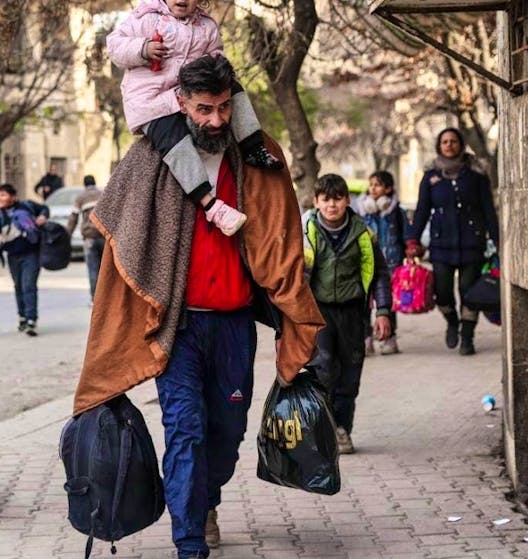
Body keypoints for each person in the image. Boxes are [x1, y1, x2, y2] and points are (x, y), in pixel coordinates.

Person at [73, 54, 324, 559]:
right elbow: (114, 228)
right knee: (184, 431)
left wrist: (292, 315)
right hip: (179, 329)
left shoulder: (255, 158)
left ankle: (205, 500)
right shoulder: (150, 159)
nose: (215, 120)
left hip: (233, 325)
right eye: (204, 109)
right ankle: (189, 543)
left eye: (224, 108)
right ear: (181, 102)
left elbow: (281, 236)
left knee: (226, 435)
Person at [106, 0, 283, 238]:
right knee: (175, 142)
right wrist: (142, 48)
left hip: (189, 92)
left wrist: (216, 70)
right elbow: (115, 46)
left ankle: (253, 146)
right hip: (151, 101)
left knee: (232, 86)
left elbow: (216, 56)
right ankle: (210, 203)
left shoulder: (207, 26)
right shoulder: (145, 18)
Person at [303, 174, 392, 455]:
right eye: (326, 199)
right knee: (324, 370)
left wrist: (384, 312)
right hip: (320, 312)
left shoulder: (363, 234)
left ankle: (343, 429)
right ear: (316, 201)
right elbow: (296, 276)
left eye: (338, 199)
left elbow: (379, 274)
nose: (332, 205)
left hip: (354, 313)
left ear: (347, 200)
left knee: (350, 376)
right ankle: (324, 428)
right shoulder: (306, 233)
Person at [405, 127, 499, 355]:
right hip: (441, 245)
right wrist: (412, 240)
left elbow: (488, 210)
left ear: (460, 144)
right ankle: (452, 322)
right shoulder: (431, 177)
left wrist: (498, 241)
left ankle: (467, 337)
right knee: (443, 291)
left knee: (469, 292)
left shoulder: (476, 174)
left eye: (453, 141)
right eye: (445, 141)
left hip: (471, 244)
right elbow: (422, 211)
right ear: (439, 146)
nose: (449, 145)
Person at [0, 184, 50, 337]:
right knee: (18, 286)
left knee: (28, 285)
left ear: (13, 196)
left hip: (31, 254)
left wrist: (42, 216)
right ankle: (22, 317)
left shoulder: (28, 206)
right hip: (13, 256)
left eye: (3, 195)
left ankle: (31, 320)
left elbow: (44, 208)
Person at [357, 170, 406, 355]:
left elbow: (405, 235)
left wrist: (410, 247)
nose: (373, 188)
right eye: (371, 185)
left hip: (391, 264)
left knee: (387, 304)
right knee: (363, 304)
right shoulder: (362, 213)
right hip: (365, 264)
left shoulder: (396, 213)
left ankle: (388, 337)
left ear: (388, 189)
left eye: (377, 185)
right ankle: (366, 339)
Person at [66, 174, 104, 301]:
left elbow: (73, 217)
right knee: (105, 269)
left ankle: (95, 299)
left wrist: (68, 234)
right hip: (104, 236)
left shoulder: (81, 197)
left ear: (84, 184)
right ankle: (106, 298)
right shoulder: (103, 193)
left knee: (92, 269)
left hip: (89, 237)